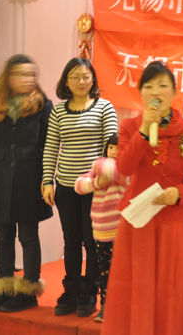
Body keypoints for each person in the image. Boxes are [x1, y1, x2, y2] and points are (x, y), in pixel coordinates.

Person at [101, 61, 183, 335]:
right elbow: (124, 168)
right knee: (138, 289)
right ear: (141, 93)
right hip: (138, 224)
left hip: (173, 226)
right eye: (149, 86)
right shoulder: (129, 126)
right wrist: (143, 131)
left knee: (171, 291)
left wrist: (178, 193)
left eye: (163, 85)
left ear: (174, 90)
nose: (156, 92)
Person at [0, 54, 52, 312]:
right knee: (2, 235)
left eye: (31, 74)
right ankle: (4, 287)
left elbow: (49, 145)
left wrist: (47, 178)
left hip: (30, 177)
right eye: (21, 74)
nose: (28, 79)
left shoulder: (42, 104)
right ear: (8, 76)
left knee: (28, 234)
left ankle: (29, 290)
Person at [42, 57, 118, 317]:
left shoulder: (104, 107)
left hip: (94, 187)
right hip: (65, 186)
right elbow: (51, 148)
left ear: (93, 79)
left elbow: (113, 147)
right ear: (66, 81)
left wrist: (105, 176)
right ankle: (71, 290)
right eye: (75, 77)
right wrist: (47, 181)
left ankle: (89, 291)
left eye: (86, 76)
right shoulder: (58, 112)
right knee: (71, 240)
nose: (81, 81)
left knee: (92, 240)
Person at [74, 133, 128, 323]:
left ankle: (122, 308)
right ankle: (106, 307)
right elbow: (78, 185)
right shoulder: (98, 168)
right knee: (104, 273)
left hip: (120, 230)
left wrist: (100, 165)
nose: (114, 151)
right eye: (111, 147)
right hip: (100, 230)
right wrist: (96, 182)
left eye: (119, 148)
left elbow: (119, 173)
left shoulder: (125, 169)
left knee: (121, 272)